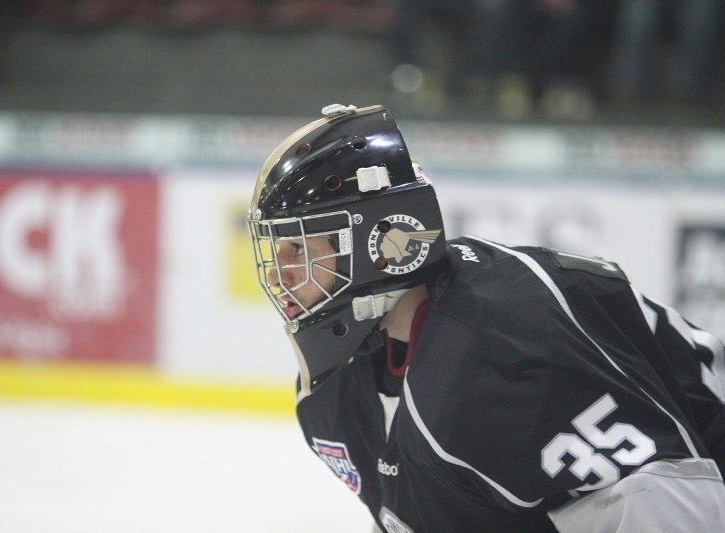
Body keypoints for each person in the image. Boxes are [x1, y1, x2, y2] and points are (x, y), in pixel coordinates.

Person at [246, 104, 725, 532]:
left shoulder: (508, 349)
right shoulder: (340, 382)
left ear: (378, 245)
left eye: (300, 249)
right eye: (275, 251)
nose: (280, 273)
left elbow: (668, 501)